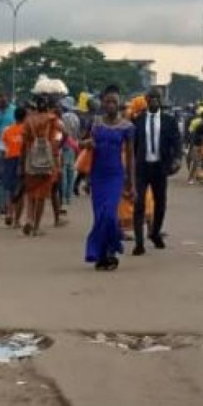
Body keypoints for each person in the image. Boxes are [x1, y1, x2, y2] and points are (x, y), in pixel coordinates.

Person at [85, 87, 134, 271]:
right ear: (102, 103)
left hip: (115, 176)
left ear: (119, 104)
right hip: (98, 175)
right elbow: (86, 149)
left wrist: (131, 183)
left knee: (110, 215)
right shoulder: (96, 124)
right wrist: (88, 177)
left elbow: (130, 157)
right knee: (99, 217)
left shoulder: (127, 127)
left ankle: (111, 251)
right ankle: (101, 255)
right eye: (107, 101)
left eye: (114, 101)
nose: (111, 105)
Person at [131, 89, 181, 255]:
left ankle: (155, 232)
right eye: (150, 98)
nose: (153, 100)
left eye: (157, 98)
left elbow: (176, 142)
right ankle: (139, 243)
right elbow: (133, 145)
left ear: (161, 100)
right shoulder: (138, 121)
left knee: (160, 203)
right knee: (139, 204)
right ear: (145, 100)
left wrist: (177, 159)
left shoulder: (169, 121)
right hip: (142, 167)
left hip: (160, 167)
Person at [21, 95, 64, 236]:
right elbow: (66, 133)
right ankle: (36, 228)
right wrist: (56, 148)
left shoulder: (29, 120)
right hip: (48, 161)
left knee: (30, 192)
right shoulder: (52, 119)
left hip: (31, 160)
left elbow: (24, 143)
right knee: (41, 195)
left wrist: (22, 163)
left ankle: (29, 219)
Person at [2, 106, 29, 229]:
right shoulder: (27, 130)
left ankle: (9, 213)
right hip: (23, 161)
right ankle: (17, 220)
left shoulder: (7, 130)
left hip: (9, 160)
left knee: (10, 190)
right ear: (25, 117)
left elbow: (3, 149)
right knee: (21, 191)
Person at [60, 98, 82, 204]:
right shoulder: (76, 118)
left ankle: (63, 196)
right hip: (74, 145)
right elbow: (78, 133)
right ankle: (69, 196)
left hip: (64, 145)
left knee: (64, 171)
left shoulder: (63, 117)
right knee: (71, 171)